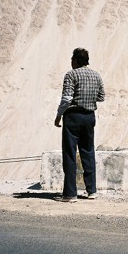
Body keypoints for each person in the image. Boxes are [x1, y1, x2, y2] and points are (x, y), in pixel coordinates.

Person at [54, 48, 105, 203]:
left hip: (73, 117)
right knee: (88, 152)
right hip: (89, 117)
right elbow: (101, 97)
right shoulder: (96, 75)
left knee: (70, 154)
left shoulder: (71, 75)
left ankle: (70, 194)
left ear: (75, 60)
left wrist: (58, 116)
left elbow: (67, 98)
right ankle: (91, 191)